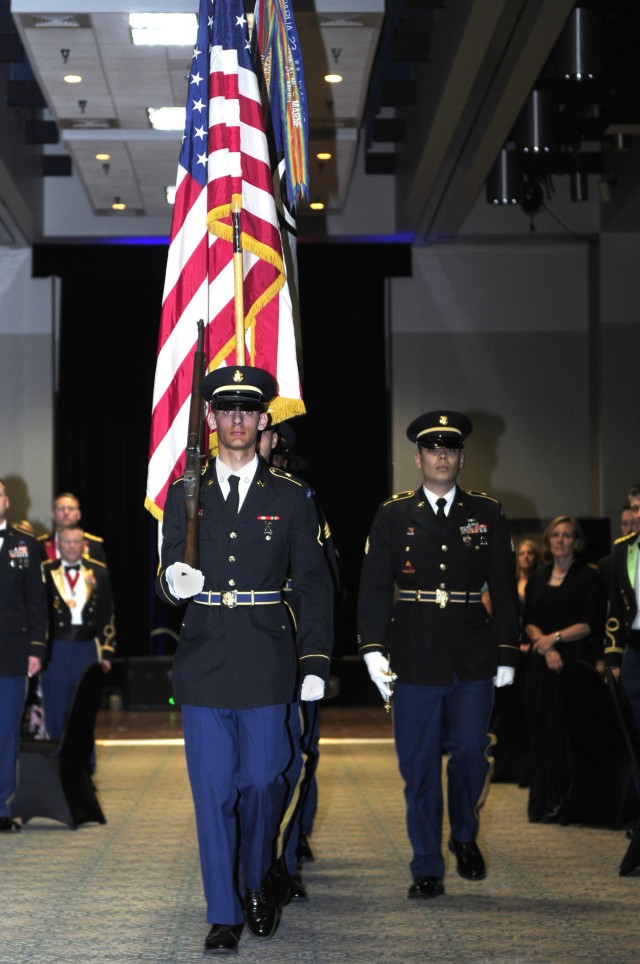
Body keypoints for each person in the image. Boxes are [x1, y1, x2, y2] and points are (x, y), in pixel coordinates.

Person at [156, 365, 333, 954]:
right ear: (209, 420)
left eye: (247, 411)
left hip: (267, 658)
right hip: (204, 657)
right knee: (213, 791)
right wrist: (173, 583)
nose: (235, 420)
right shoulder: (188, 490)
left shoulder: (291, 497)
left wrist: (314, 662)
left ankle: (258, 876)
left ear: (263, 421)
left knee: (263, 782)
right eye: (224, 410)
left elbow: (312, 584)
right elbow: (165, 575)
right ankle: (224, 911)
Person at [357, 410, 519, 900]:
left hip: (473, 651)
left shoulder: (486, 512)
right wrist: (371, 649)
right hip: (414, 652)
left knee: (471, 749)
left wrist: (508, 651)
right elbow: (373, 587)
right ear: (419, 458)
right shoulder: (394, 513)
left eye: (450, 449)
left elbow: (507, 590)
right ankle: (426, 863)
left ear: (463, 458)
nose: (442, 456)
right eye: (433, 449)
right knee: (419, 765)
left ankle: (463, 833)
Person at [523, 515, 605, 823]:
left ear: (576, 542)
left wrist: (553, 639)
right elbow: (527, 621)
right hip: (542, 665)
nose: (560, 540)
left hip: (574, 665)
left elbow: (590, 623)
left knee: (567, 735)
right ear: (548, 542)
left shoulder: (588, 578)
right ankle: (543, 803)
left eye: (567, 535)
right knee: (541, 732)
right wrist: (544, 646)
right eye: (555, 535)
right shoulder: (538, 579)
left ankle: (567, 803)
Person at [0, 478, 47, 833]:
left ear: (6, 502)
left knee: (5, 732)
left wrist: (36, 649)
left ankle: (1, 805)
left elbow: (37, 603)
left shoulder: (25, 545)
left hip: (12, 653)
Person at [40, 524, 115, 744]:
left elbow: (107, 614)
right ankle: (56, 769)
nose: (71, 547)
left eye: (76, 542)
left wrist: (107, 651)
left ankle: (84, 770)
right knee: (55, 710)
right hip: (56, 650)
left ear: (83, 545)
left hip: (86, 649)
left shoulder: (99, 573)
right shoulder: (45, 572)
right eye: (66, 542)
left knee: (85, 711)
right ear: (57, 545)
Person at [606, 484, 640, 738]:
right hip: (635, 647)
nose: (638, 515)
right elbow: (615, 607)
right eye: (635, 508)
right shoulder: (622, 549)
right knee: (633, 722)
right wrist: (613, 658)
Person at [38, 492, 106, 564]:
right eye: (61, 509)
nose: (66, 512)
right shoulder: (40, 545)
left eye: (71, 509)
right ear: (53, 514)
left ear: (78, 515)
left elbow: (100, 573)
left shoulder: (94, 545)